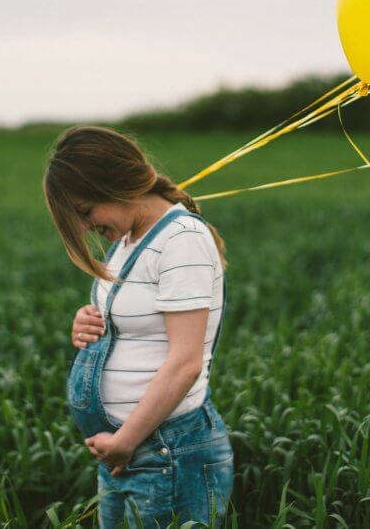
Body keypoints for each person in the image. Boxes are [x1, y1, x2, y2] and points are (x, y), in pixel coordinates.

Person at [42, 126, 233, 527]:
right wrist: (90, 319)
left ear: (113, 186)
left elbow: (186, 362)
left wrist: (126, 440)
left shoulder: (181, 240)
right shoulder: (129, 239)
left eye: (85, 211)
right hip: (129, 453)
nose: (85, 227)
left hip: (166, 454)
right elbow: (136, 319)